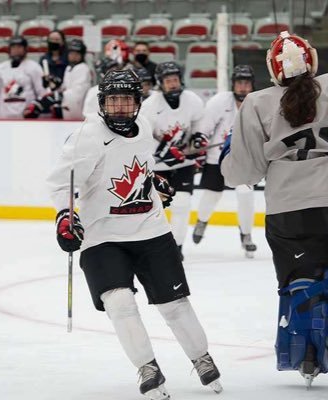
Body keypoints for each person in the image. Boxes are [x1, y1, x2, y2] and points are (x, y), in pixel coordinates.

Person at [47, 69, 222, 400]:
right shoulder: (86, 137)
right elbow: (60, 183)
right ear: (102, 105)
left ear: (138, 104)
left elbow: (140, 162)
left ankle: (201, 356)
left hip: (152, 230)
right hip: (104, 238)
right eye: (113, 102)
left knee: (175, 305)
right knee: (120, 302)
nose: (120, 110)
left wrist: (154, 182)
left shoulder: (143, 128)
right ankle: (147, 366)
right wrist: (64, 216)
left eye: (127, 102)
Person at [220, 31, 328, 388]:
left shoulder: (257, 102)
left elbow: (244, 172)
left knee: (301, 285)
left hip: (289, 211)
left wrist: (226, 159)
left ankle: (308, 353)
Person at [140, 61, 208, 260]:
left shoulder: (192, 100)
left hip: (184, 162)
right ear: (160, 83)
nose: (172, 84)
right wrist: (162, 151)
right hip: (158, 165)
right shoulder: (150, 105)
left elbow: (199, 122)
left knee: (182, 204)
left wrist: (198, 137)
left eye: (175, 80)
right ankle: (153, 244)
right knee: (155, 208)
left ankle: (177, 247)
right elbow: (143, 135)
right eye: (168, 81)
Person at [192, 65, 257, 258]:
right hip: (217, 158)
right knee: (211, 195)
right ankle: (202, 221)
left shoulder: (257, 103)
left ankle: (246, 235)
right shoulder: (220, 101)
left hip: (244, 160)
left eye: (246, 83)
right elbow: (204, 127)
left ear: (252, 85)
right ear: (233, 84)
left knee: (246, 195)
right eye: (239, 83)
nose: (243, 87)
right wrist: (200, 139)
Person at [24, 39, 91, 120]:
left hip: (78, 111)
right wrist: (57, 85)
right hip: (68, 110)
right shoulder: (69, 68)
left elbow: (77, 93)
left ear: (82, 55)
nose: (73, 56)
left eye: (77, 53)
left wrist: (58, 96)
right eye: (71, 53)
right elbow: (66, 87)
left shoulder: (83, 68)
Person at [0, 36, 47, 119]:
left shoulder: (34, 67)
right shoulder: (0, 68)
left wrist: (36, 108)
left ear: (25, 49)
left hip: (26, 114)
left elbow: (41, 91)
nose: (16, 50)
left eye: (19, 47)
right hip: (4, 115)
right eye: (13, 47)